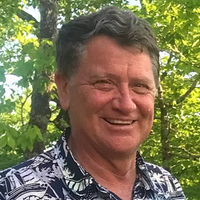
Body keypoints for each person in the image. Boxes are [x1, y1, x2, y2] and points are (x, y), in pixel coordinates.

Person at [0, 6, 186, 200]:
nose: (126, 104)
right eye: (104, 83)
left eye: (140, 86)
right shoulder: (11, 192)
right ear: (64, 88)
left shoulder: (166, 186)